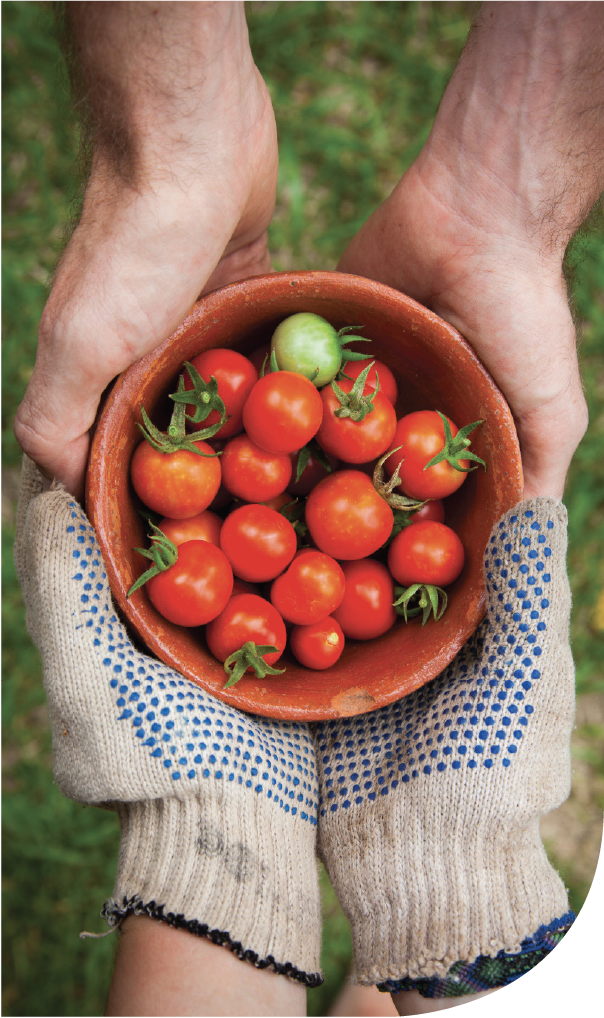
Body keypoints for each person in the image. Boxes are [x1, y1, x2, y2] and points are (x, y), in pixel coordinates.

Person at [13, 1, 603, 1015]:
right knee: (399, 990)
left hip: (303, 568)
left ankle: (374, 974)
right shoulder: (325, 504)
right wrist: (461, 893)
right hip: (316, 567)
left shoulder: (267, 507)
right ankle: (392, 983)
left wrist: (214, 830)